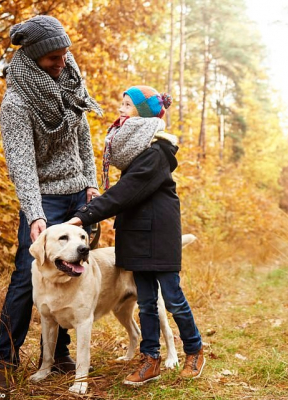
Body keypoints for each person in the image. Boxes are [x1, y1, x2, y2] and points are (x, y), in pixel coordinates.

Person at [0, 15, 102, 390]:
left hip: (77, 196)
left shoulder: (71, 82)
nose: (62, 62)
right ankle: (3, 362)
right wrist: (35, 214)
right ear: (34, 57)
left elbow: (83, 138)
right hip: (45, 200)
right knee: (28, 273)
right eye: (53, 57)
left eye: (65, 54)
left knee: (74, 272)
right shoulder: (17, 102)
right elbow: (21, 165)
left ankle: (57, 355)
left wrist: (91, 184)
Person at [66, 85, 205, 385]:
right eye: (122, 102)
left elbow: (124, 194)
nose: (121, 108)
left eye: (128, 105)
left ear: (142, 113)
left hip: (160, 236)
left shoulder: (156, 153)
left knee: (173, 299)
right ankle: (150, 360)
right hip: (136, 235)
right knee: (145, 303)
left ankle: (194, 351)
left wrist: (83, 216)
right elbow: (125, 196)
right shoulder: (136, 151)